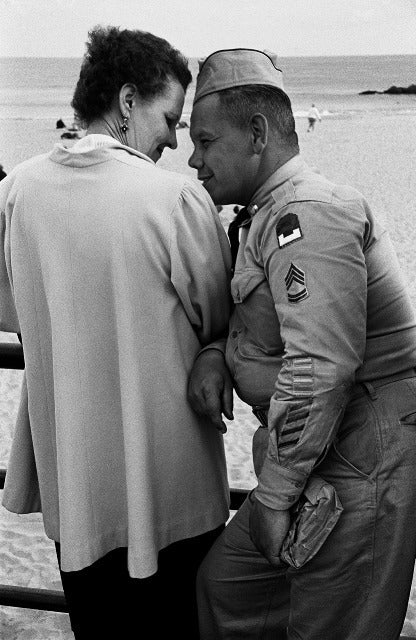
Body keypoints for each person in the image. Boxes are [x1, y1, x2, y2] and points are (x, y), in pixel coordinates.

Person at [0, 27, 232, 639]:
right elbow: (217, 318)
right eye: (170, 118)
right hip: (170, 486)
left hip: (76, 484)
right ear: (128, 100)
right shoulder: (174, 198)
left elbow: (10, 310)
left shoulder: (19, 188)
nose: (173, 141)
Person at [187, 48, 416, 639]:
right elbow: (264, 321)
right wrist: (218, 353)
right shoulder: (266, 214)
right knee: (226, 589)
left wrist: (272, 498)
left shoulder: (308, 216)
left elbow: (320, 368)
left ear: (257, 133)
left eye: (206, 142)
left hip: (361, 455)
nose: (193, 160)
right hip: (319, 451)